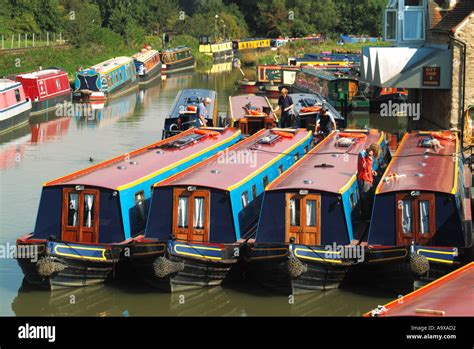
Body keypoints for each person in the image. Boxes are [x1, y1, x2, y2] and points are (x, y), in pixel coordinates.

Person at [357, 143, 381, 219]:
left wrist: (372, 171)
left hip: (369, 179)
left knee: (370, 197)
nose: (373, 156)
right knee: (365, 198)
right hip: (364, 179)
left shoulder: (369, 157)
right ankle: (365, 217)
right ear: (372, 151)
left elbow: (369, 168)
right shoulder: (362, 155)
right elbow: (364, 167)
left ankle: (370, 214)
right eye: (374, 154)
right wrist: (368, 158)